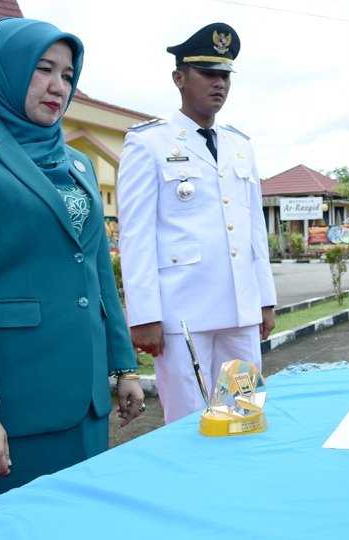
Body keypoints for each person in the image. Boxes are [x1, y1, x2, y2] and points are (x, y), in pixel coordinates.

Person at [0, 18, 143, 516]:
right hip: (5, 408)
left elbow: (98, 272)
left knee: (81, 525)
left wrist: (124, 367)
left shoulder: (77, 163)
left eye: (67, 74)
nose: (58, 85)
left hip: (83, 404)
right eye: (43, 69)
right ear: (7, 71)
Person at [118, 22, 277, 425]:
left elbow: (254, 228)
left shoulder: (240, 145)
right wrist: (144, 316)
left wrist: (265, 299)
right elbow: (136, 234)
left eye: (225, 76)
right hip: (182, 315)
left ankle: (239, 487)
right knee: (190, 424)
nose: (218, 84)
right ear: (179, 78)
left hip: (240, 311)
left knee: (241, 417)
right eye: (208, 74)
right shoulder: (148, 142)